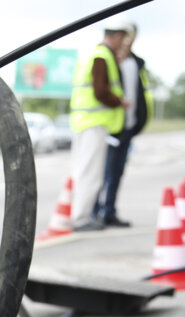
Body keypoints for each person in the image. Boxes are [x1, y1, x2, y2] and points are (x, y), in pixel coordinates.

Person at [69, 17, 131, 232]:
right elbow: (100, 92)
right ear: (115, 36)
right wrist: (120, 101)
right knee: (90, 174)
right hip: (93, 124)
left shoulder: (94, 54)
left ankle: (79, 216)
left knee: (82, 171)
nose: (122, 43)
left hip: (84, 123)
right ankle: (81, 219)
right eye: (121, 38)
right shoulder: (102, 56)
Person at [92, 22, 153, 227]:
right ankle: (93, 212)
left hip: (127, 126)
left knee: (116, 172)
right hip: (111, 127)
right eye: (123, 39)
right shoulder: (109, 60)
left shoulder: (135, 64)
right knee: (102, 171)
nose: (126, 44)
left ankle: (109, 211)